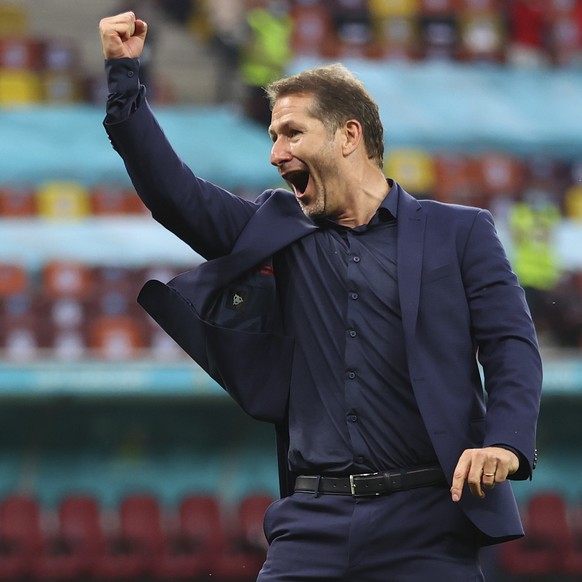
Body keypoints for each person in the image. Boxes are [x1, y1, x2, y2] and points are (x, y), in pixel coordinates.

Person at [99, 11, 542, 581]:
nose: (275, 154)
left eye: (291, 133)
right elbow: (172, 192)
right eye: (272, 137)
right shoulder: (276, 229)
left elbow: (510, 346)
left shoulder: (461, 232)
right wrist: (124, 75)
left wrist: (505, 441)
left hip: (429, 526)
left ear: (348, 135)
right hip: (311, 524)